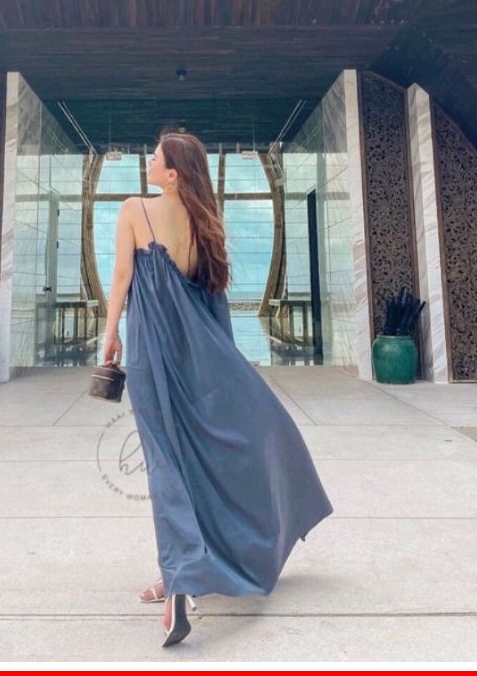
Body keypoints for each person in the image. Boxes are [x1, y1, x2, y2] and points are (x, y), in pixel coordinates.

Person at [102, 129, 333, 647]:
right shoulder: (203, 223)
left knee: (165, 464)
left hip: (152, 357)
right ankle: (185, 568)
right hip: (200, 362)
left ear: (172, 174)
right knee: (202, 460)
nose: (149, 162)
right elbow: (213, 308)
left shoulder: (135, 210)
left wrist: (111, 335)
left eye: (156, 157)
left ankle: (181, 577)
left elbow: (121, 277)